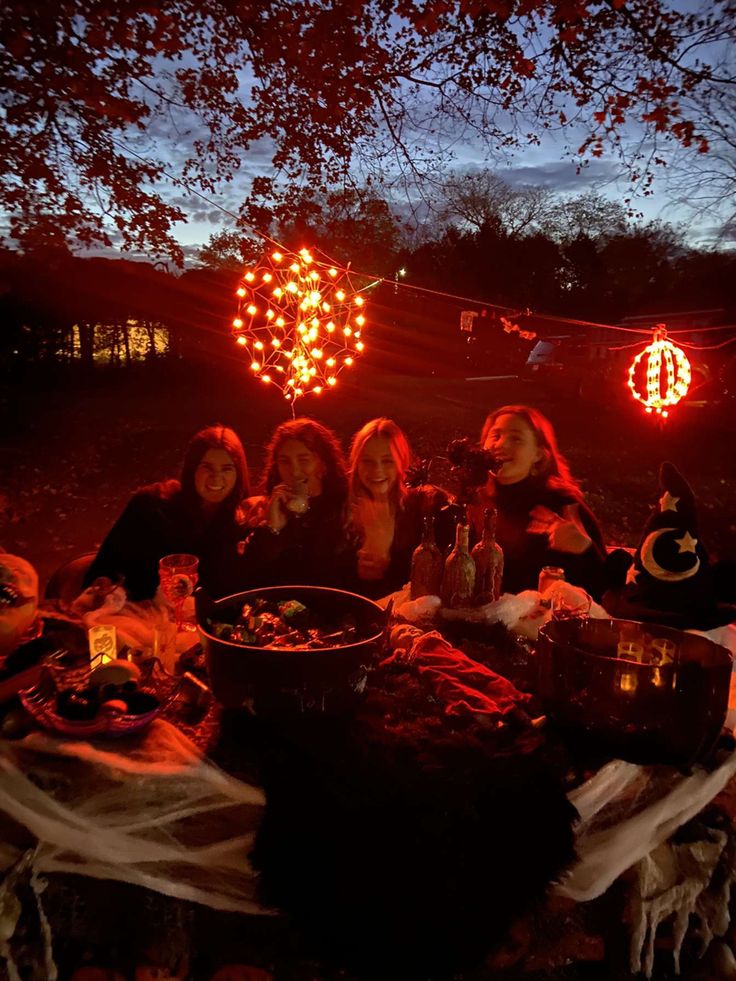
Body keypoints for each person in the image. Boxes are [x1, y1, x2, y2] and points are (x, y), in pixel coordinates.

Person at [83, 425, 251, 601]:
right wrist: (105, 582)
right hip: (141, 612)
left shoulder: (241, 519)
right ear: (192, 468)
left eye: (226, 469)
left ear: (238, 474)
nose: (216, 478)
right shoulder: (152, 505)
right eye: (207, 467)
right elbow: (106, 565)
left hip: (204, 621)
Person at [468, 405, 606, 597]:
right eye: (496, 436)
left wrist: (584, 550)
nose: (501, 445)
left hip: (537, 623)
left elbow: (605, 590)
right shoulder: (473, 500)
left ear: (539, 454)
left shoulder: (561, 504)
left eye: (516, 438)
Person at [344, 417, 452, 599]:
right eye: (367, 461)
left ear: (401, 461)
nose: (377, 470)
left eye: (387, 461)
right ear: (356, 464)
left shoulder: (423, 509)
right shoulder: (343, 511)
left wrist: (385, 559)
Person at [239, 417, 348, 587]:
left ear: (323, 465)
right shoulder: (269, 509)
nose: (295, 471)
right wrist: (272, 529)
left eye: (304, 460)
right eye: (285, 462)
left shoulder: (345, 509)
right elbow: (249, 575)